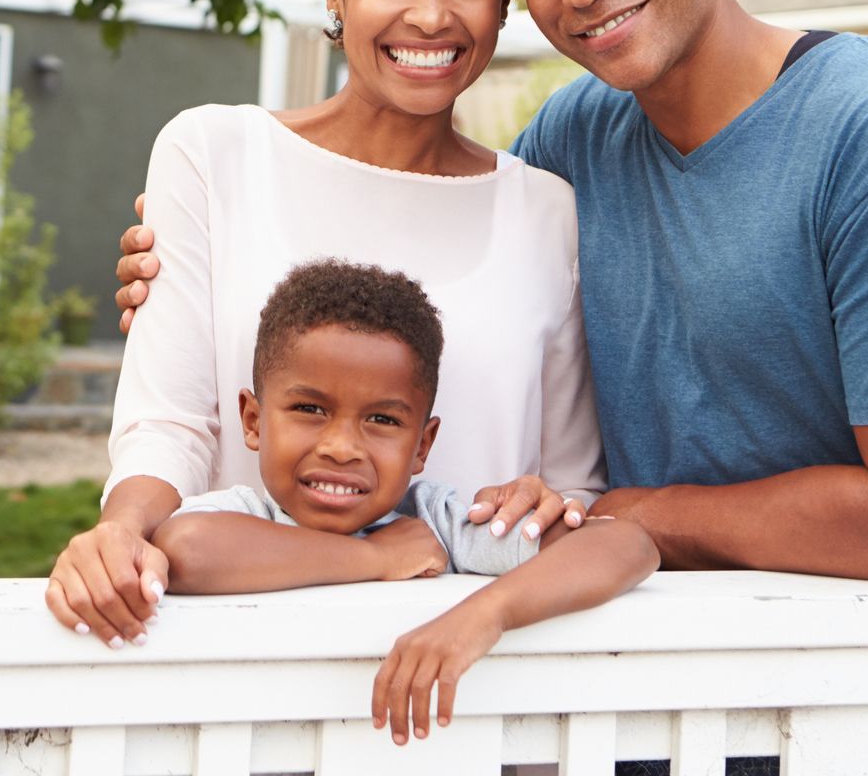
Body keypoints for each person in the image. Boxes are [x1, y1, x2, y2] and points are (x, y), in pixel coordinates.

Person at [117, 0, 868, 776]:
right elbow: (422, 273)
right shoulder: (572, 147)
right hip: (631, 708)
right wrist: (182, 279)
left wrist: (628, 510)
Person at [45, 0, 609, 648]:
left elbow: (576, 484)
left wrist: (557, 504)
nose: (430, 16)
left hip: (472, 679)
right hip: (247, 655)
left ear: (504, 2)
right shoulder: (212, 154)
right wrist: (123, 532)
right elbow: (170, 420)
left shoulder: (546, 209)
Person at [155, 258, 658, 746]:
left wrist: (482, 616)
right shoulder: (247, 515)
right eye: (309, 408)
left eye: (382, 420)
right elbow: (186, 549)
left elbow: (626, 545)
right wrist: (375, 557)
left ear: (422, 445)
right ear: (254, 421)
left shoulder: (437, 527)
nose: (341, 446)